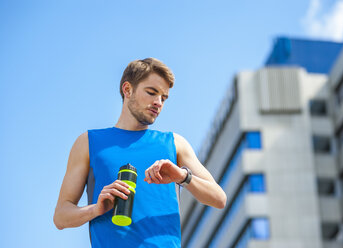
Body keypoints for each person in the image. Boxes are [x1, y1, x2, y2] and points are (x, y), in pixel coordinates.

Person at [53, 58, 227, 247]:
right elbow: (61, 216)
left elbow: (219, 198)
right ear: (127, 90)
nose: (158, 102)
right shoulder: (88, 142)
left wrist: (182, 176)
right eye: (152, 93)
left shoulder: (174, 143)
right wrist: (95, 209)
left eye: (164, 97)